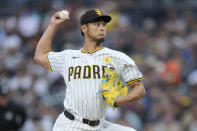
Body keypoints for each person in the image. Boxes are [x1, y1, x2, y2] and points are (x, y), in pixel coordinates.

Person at [34, 8, 146, 131]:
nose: (102, 28)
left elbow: (139, 89)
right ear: (84, 28)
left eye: (103, 25)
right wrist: (52, 26)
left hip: (99, 125)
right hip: (71, 124)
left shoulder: (117, 57)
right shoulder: (68, 56)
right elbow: (40, 56)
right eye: (97, 24)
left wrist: (119, 100)